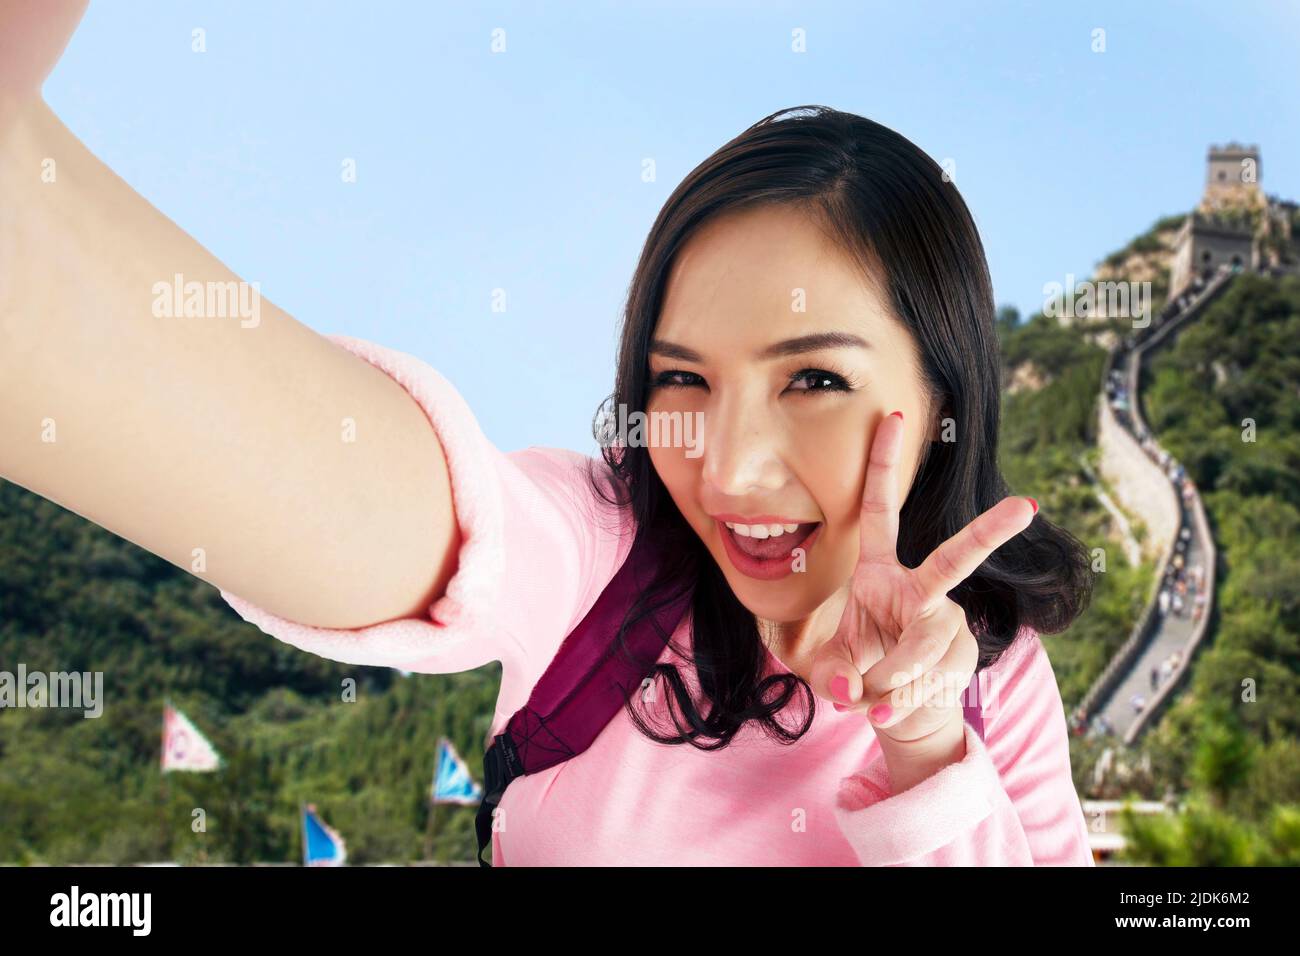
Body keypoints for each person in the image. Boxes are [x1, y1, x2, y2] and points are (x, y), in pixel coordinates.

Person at [0, 4, 1097, 866]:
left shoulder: (991, 678)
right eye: (682, 379)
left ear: (944, 389)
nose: (728, 465)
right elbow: (414, 507)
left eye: (812, 377)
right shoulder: (608, 559)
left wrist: (923, 745)